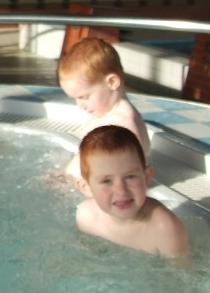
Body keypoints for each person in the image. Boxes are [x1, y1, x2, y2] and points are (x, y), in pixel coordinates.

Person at [75, 125, 189, 258]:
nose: (121, 191)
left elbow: (182, 270)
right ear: (86, 187)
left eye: (130, 177)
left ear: (146, 177)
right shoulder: (87, 217)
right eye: (106, 181)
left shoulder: (164, 228)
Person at [57, 37, 150, 187]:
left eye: (84, 97)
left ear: (112, 82)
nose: (80, 105)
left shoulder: (124, 126)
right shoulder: (105, 114)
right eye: (75, 99)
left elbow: (125, 180)